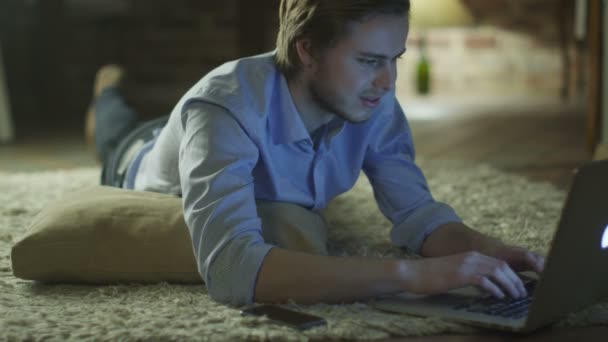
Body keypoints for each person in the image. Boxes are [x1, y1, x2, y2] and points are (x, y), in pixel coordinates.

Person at [85, 0, 545, 307]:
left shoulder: (373, 102)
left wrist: (490, 250)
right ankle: (107, 90)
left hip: (210, 141)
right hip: (136, 158)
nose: (388, 82)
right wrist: (412, 276)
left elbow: (419, 215)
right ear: (307, 50)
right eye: (369, 61)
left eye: (395, 59)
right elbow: (231, 274)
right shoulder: (225, 108)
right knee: (115, 123)